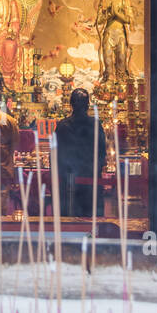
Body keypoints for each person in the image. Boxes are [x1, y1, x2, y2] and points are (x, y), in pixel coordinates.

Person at [53, 88, 107, 217]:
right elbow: (102, 152)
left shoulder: (63, 126)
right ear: (88, 105)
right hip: (89, 176)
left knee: (69, 216)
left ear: (71, 104)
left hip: (69, 179)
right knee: (91, 215)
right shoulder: (95, 124)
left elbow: (55, 155)